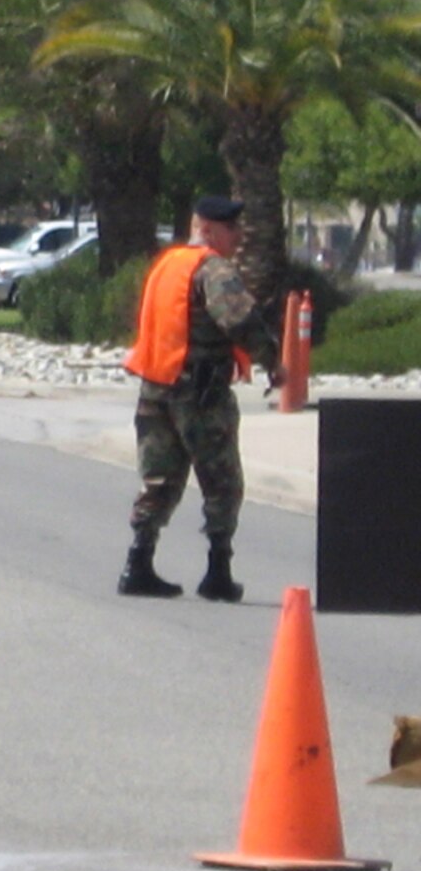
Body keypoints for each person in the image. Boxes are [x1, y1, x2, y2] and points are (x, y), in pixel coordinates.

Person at [118, 194, 284, 602]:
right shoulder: (213, 269)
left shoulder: (167, 264)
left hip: (155, 390)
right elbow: (239, 318)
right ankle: (218, 571)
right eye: (232, 229)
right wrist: (273, 360)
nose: (240, 237)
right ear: (207, 230)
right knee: (222, 483)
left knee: (159, 480)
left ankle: (137, 564)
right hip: (200, 395)